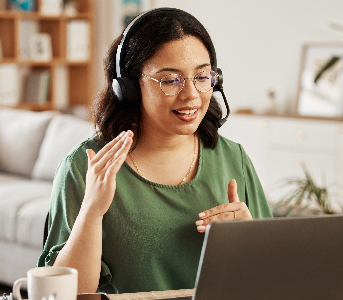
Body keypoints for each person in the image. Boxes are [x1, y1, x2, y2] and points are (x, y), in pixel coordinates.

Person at [38, 7, 272, 295]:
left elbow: (271, 282)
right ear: (129, 87)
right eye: (170, 80)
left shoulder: (234, 159)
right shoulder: (86, 166)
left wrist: (250, 240)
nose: (190, 95)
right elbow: (66, 294)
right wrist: (92, 212)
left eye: (201, 77)